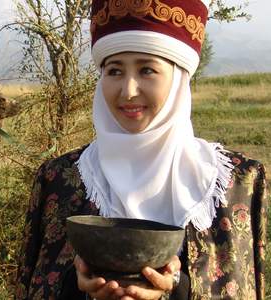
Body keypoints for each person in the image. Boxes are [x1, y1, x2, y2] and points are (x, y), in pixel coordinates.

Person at [15, 0, 267, 299]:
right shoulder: (59, 179)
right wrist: (79, 286)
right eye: (114, 71)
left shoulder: (238, 182)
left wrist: (177, 289)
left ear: (179, 79)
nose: (128, 91)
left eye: (147, 70)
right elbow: (32, 285)